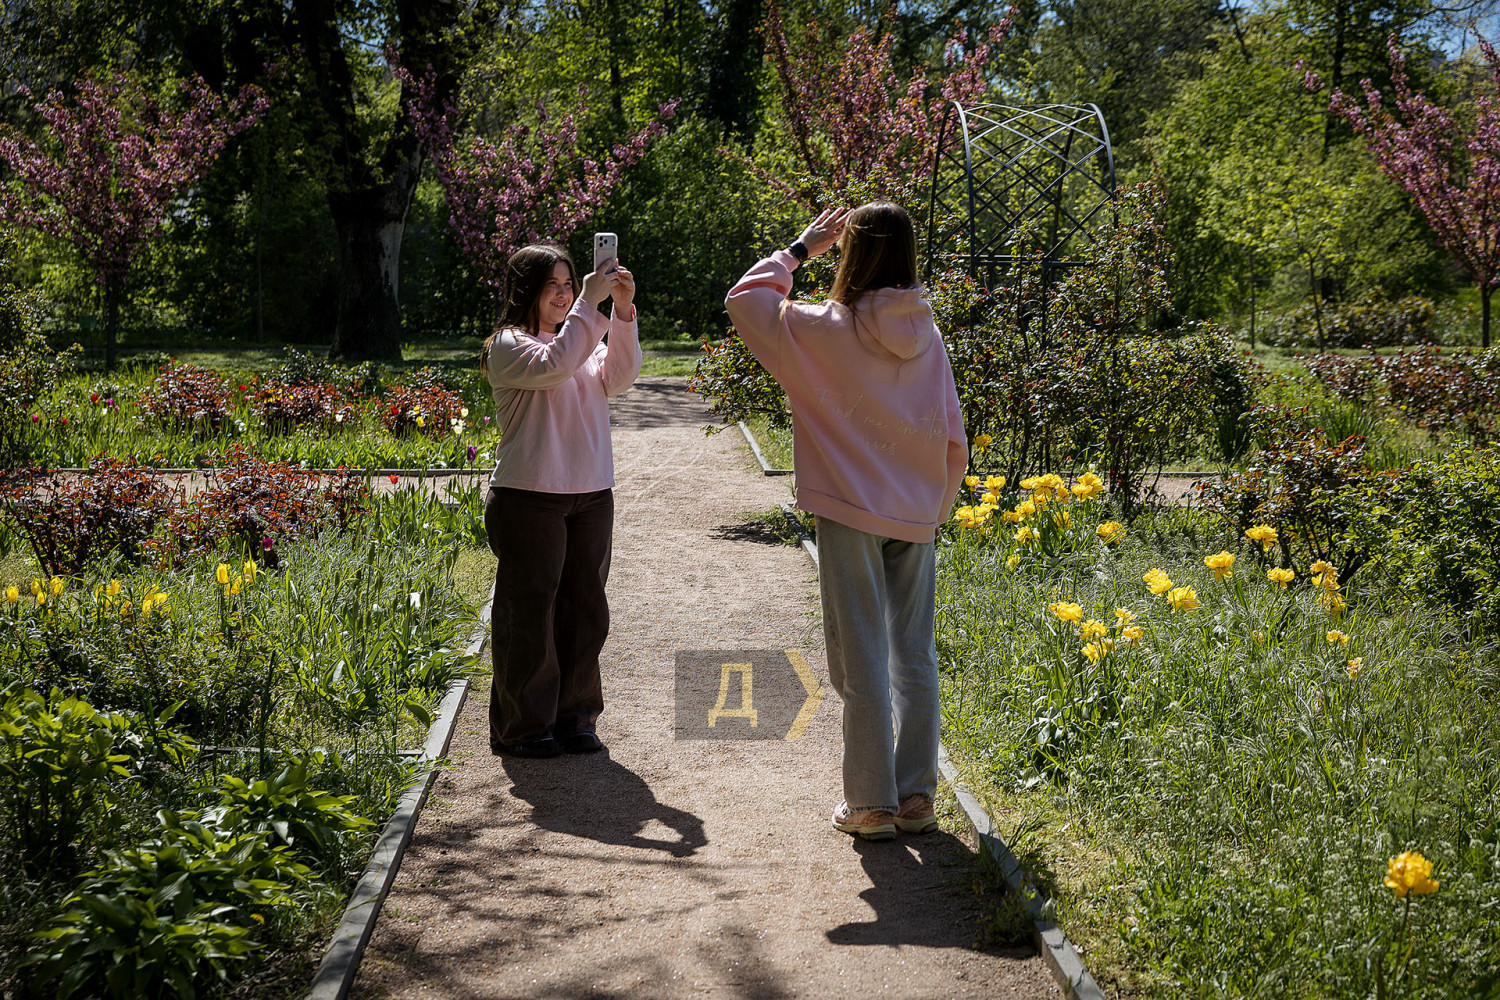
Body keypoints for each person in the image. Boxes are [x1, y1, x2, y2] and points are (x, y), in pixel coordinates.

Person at [725, 203, 966, 840]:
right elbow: (954, 436)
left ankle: (870, 805)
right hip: (916, 511)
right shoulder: (927, 332)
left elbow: (745, 300)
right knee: (914, 654)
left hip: (848, 509)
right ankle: (916, 797)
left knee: (860, 653)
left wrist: (800, 250)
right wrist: (933, 510)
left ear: (851, 253)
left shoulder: (821, 327)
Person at [480, 243, 640, 758]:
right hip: (529, 497)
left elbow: (620, 378)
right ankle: (523, 727)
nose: (564, 293)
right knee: (530, 613)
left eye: (570, 284)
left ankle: (576, 718)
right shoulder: (508, 345)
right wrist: (589, 305)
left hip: (591, 493)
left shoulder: (581, 339)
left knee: (585, 611)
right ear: (525, 290)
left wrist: (622, 312)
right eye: (552, 284)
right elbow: (554, 366)